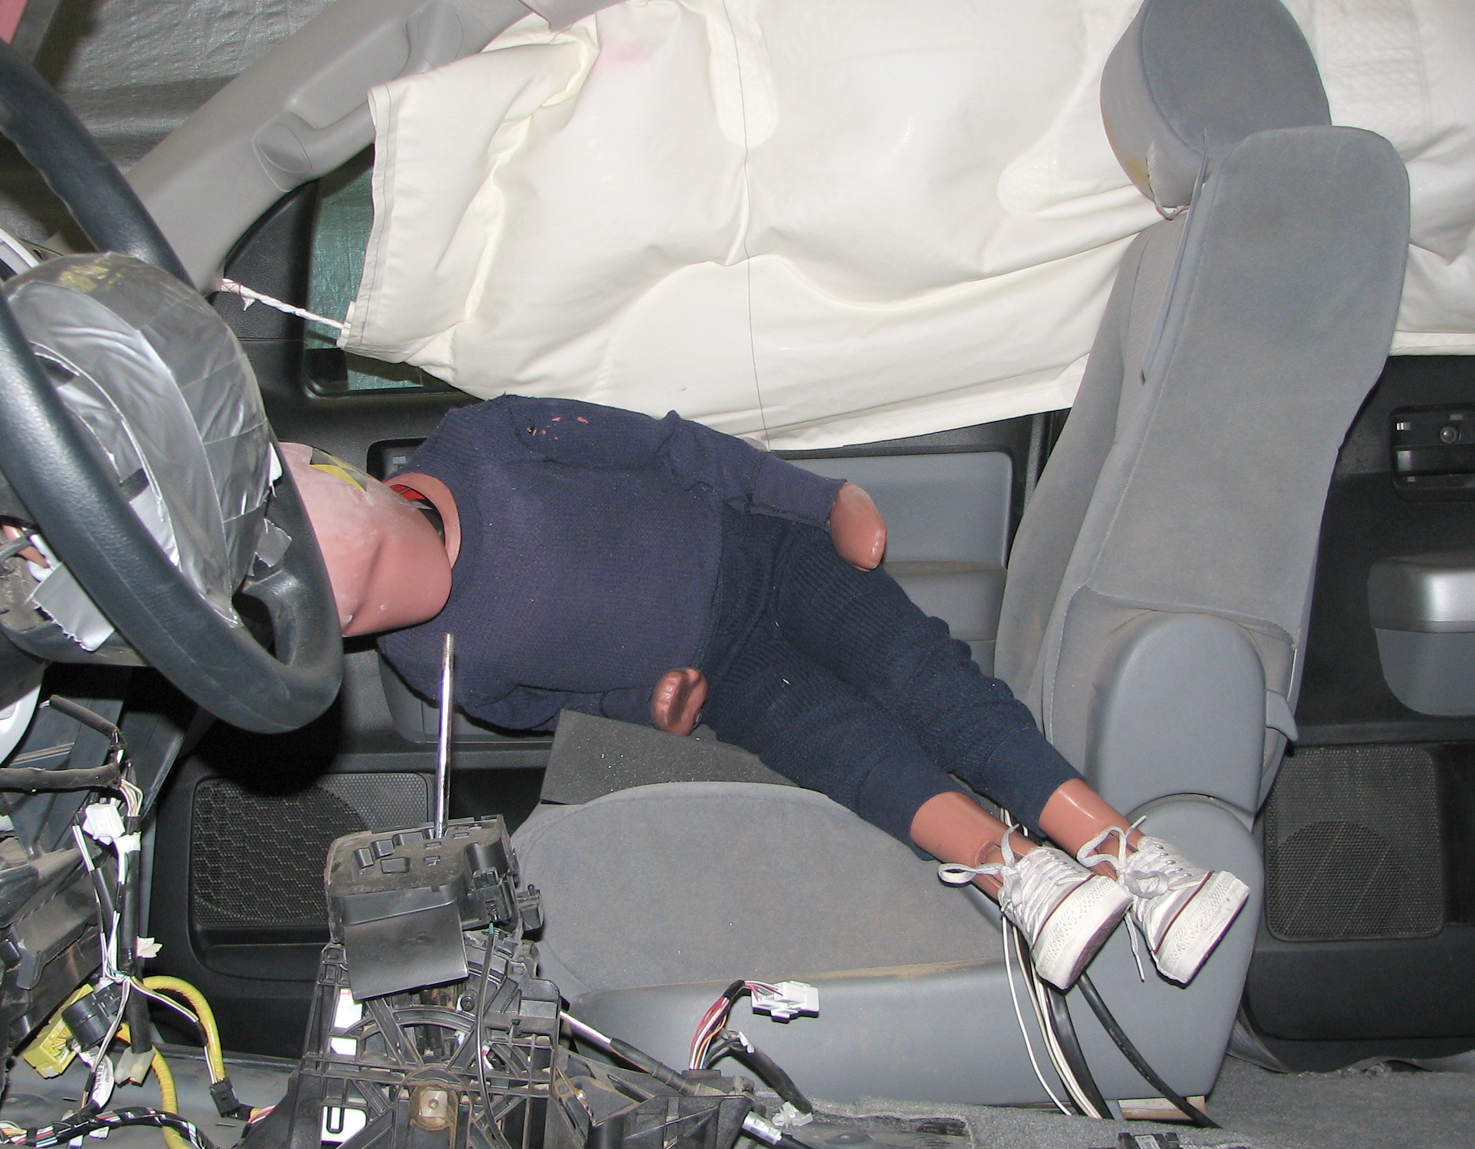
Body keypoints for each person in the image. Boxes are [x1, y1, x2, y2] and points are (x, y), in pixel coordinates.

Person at [282, 394, 1248, 991]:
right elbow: (537, 704)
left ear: (366, 489)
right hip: (724, 671)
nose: (387, 609)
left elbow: (669, 448)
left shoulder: (485, 442)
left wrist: (820, 499)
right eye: (359, 616)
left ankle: (1127, 854)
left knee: (920, 675)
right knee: (848, 755)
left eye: (375, 577)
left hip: (767, 556)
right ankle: (1017, 875)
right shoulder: (427, 659)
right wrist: (648, 704)